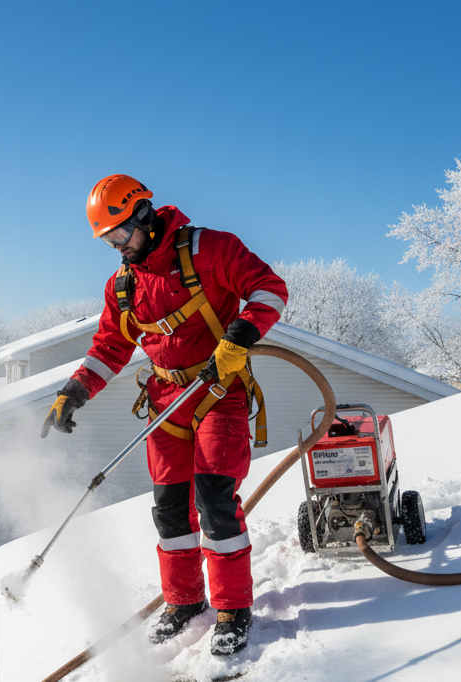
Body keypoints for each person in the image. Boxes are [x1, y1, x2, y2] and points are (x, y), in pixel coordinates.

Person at [41, 174, 287, 656]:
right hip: (166, 402)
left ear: (144, 216)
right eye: (108, 240)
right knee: (170, 508)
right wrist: (75, 390)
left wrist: (238, 337)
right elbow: (110, 345)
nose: (117, 246)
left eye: (120, 233)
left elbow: (269, 289)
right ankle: (184, 601)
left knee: (214, 500)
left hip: (218, 391)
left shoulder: (210, 249)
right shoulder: (123, 285)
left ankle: (233, 609)